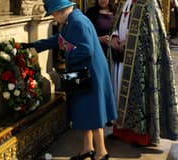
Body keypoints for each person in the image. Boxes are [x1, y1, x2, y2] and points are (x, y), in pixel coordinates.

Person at [22, 0, 117, 159]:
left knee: (93, 113)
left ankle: (101, 153)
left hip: (89, 73)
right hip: (86, 71)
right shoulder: (72, 19)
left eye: (52, 14)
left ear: (60, 11)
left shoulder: (77, 22)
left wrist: (65, 54)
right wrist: (33, 46)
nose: (53, 18)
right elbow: (59, 39)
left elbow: (86, 50)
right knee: (86, 111)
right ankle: (88, 148)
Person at [108, 0, 178, 146]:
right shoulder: (124, 2)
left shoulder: (150, 4)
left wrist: (128, 41)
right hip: (120, 57)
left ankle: (139, 135)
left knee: (138, 95)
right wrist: (115, 36)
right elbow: (118, 22)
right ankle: (120, 131)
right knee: (118, 93)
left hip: (139, 60)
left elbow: (150, 33)